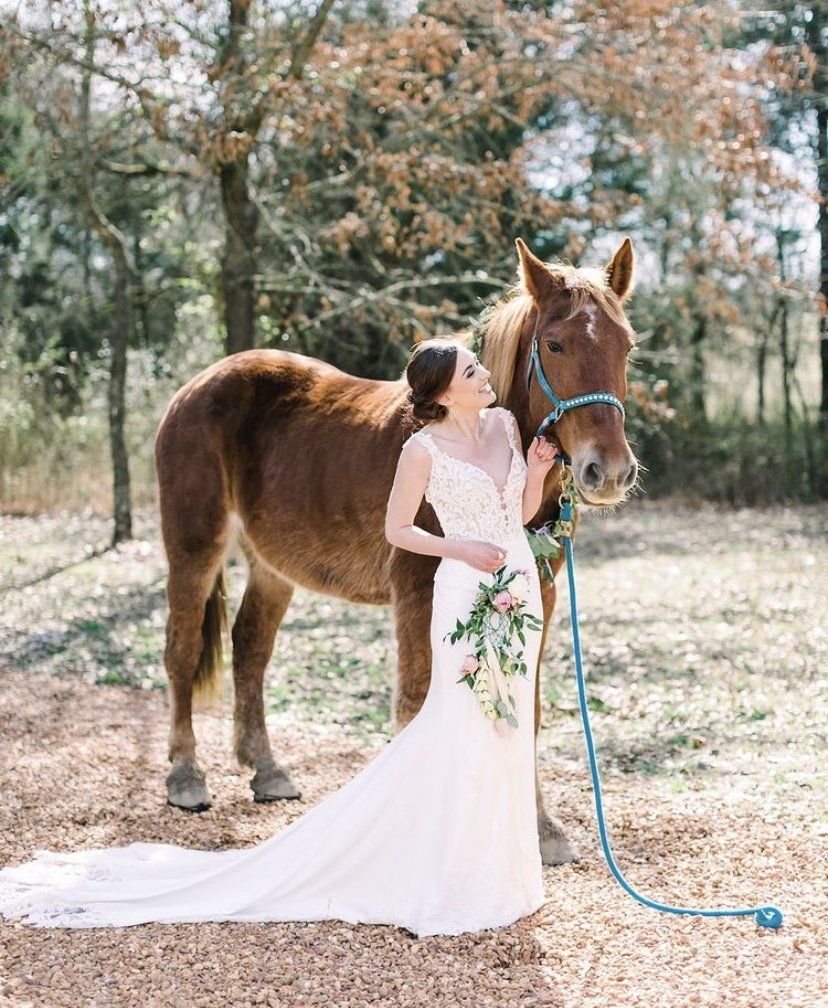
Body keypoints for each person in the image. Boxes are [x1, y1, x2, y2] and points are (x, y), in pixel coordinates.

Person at [0, 337, 560, 938]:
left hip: (506, 590)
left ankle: (482, 845)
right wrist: (460, 546)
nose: (482, 371)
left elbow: (521, 508)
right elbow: (400, 530)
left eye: (478, 364)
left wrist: (541, 475)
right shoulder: (420, 447)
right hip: (460, 579)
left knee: (494, 708)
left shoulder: (503, 426)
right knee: (194, 598)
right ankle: (183, 743)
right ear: (444, 393)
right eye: (469, 369)